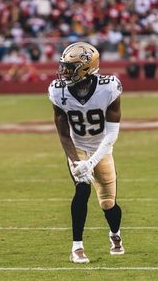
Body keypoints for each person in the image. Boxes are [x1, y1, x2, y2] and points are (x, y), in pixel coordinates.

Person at [48, 42, 124, 264]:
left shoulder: (109, 88)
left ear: (86, 68)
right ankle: (77, 248)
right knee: (82, 189)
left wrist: (91, 162)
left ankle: (115, 234)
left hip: (102, 147)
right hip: (77, 146)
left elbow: (111, 136)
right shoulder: (58, 91)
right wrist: (75, 160)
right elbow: (63, 134)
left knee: (108, 202)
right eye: (64, 66)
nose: (64, 72)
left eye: (70, 67)